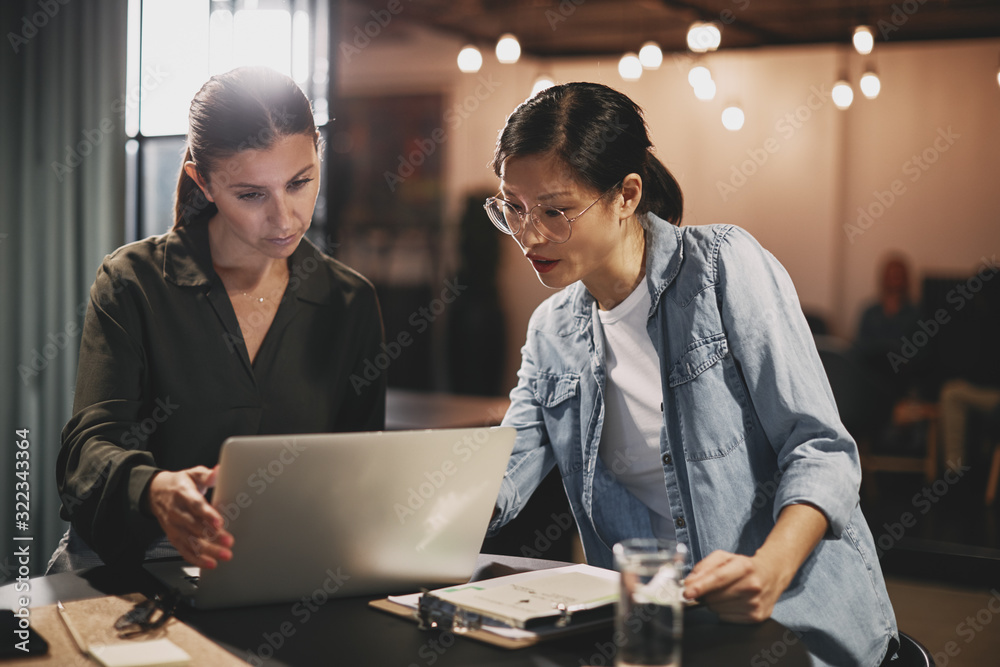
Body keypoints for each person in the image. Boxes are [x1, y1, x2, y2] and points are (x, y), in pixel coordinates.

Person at [483, 82, 897, 666]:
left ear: (626, 195)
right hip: (658, 626)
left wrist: (768, 570)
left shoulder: (722, 268)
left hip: (791, 613)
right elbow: (505, 469)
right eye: (513, 208)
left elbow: (822, 449)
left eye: (555, 210)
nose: (528, 234)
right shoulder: (552, 331)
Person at [50, 67, 385, 572]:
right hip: (131, 565)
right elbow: (84, 454)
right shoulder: (133, 283)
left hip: (283, 568)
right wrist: (152, 488)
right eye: (252, 194)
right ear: (201, 182)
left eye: (300, 183)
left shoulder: (350, 302)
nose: (286, 218)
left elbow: (361, 475)